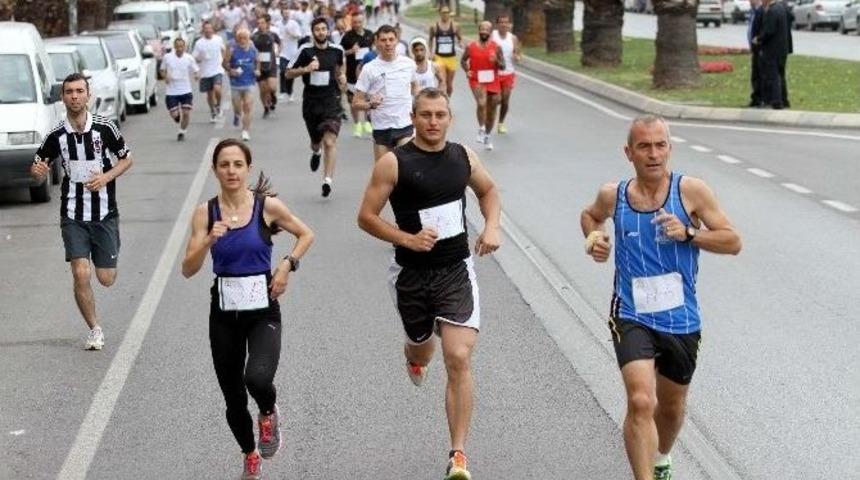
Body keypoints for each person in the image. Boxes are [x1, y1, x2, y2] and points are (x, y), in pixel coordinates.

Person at [579, 115, 742, 480]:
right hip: (631, 312)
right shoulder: (614, 195)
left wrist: (689, 233)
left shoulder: (692, 191)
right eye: (644, 146)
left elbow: (733, 241)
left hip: (681, 317)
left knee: (670, 407)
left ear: (670, 148)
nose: (653, 154)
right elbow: (590, 216)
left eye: (660, 145)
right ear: (629, 153)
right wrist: (594, 239)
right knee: (640, 400)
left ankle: (662, 456)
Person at [357, 87, 501, 480]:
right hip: (411, 275)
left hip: (455, 270)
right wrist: (407, 239)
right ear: (413, 117)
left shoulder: (462, 156)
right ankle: (415, 354)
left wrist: (491, 226)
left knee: (458, 356)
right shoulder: (393, 163)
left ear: (450, 118)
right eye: (426, 115)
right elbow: (366, 217)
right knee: (422, 349)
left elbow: (488, 190)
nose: (433, 122)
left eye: (440, 115)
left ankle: (458, 454)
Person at [181, 138, 314, 480]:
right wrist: (208, 240)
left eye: (238, 164)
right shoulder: (205, 213)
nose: (231, 171)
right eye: (224, 165)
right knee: (233, 397)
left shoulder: (266, 207)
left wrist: (287, 265)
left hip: (262, 310)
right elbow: (188, 268)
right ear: (215, 170)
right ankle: (249, 453)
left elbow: (306, 234)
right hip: (224, 314)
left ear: (247, 168)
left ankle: (268, 412)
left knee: (257, 377)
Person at [30, 72, 134, 351]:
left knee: (106, 278)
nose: (74, 96)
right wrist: (38, 172)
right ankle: (94, 329)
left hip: (105, 213)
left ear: (88, 95)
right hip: (72, 214)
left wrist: (106, 177)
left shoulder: (105, 128)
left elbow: (127, 159)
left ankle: (108, 252)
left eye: (79, 91)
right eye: (69, 92)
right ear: (62, 97)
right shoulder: (56, 134)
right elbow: (38, 167)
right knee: (80, 272)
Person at [287, 17, 347, 197]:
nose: (321, 32)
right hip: (311, 102)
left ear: (328, 31)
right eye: (317, 29)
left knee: (330, 141)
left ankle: (327, 181)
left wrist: (342, 77)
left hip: (331, 101)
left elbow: (340, 68)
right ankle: (316, 151)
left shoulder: (337, 50)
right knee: (316, 141)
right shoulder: (305, 50)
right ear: (313, 32)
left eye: (323, 29)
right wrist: (305, 69)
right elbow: (288, 73)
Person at [353, 24, 418, 161]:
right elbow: (356, 102)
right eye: (383, 40)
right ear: (377, 42)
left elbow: (415, 88)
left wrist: (420, 106)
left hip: (405, 124)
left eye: (391, 39)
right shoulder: (369, 69)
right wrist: (370, 104)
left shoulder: (409, 64)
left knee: (406, 166)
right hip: (381, 127)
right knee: (383, 170)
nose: (388, 43)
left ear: (397, 40)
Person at [461, 21, 504, 151]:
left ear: (490, 32)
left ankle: (487, 136)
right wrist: (467, 70)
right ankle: (482, 128)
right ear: (479, 30)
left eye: (487, 29)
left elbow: (503, 66)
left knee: (492, 108)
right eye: (482, 29)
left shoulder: (496, 47)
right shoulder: (471, 46)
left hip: (492, 79)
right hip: (477, 79)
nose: (484, 31)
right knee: (481, 103)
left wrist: (496, 60)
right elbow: (463, 60)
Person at [339, 13, 375, 137]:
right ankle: (357, 124)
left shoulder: (370, 34)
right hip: (352, 73)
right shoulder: (347, 36)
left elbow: (375, 49)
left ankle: (367, 122)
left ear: (363, 21)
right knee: (353, 100)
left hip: (368, 73)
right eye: (354, 22)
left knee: (367, 99)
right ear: (351, 23)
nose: (357, 24)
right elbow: (340, 53)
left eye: (359, 22)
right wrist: (351, 51)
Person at [224, 28, 261, 141]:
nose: (242, 40)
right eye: (240, 38)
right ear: (236, 39)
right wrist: (231, 70)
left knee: (248, 106)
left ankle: (245, 131)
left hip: (249, 82)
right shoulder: (232, 50)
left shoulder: (253, 50)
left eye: (245, 38)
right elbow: (224, 63)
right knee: (237, 108)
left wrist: (257, 70)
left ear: (248, 39)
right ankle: (237, 115)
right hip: (236, 84)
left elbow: (258, 62)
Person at [161, 38, 200, 141]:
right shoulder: (167, 57)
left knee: (186, 113)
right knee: (175, 115)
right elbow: (162, 70)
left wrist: (196, 75)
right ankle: (176, 117)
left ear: (184, 47)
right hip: (171, 91)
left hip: (185, 90)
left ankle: (182, 131)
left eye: (181, 46)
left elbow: (196, 70)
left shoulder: (189, 58)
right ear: (174, 47)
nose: (179, 49)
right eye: (177, 46)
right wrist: (165, 77)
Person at [754, 0, 791, 109]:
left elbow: (769, 30)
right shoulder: (781, 8)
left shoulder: (771, 11)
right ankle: (783, 99)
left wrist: (758, 39)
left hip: (772, 49)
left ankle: (776, 101)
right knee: (780, 74)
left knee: (772, 75)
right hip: (782, 49)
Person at [490, 14, 521, 134]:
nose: (503, 24)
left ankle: (501, 123)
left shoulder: (513, 38)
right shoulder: (493, 36)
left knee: (505, 100)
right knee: (496, 99)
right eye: (501, 22)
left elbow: (518, 53)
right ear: (497, 24)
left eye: (506, 22)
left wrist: (517, 57)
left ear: (509, 24)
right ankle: (490, 115)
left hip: (508, 73)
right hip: (495, 72)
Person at [194, 20, 227, 122]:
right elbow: (195, 58)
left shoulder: (218, 39)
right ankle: (212, 112)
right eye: (206, 28)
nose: (208, 30)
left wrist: (223, 60)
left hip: (217, 69)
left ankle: (218, 105)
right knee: (209, 94)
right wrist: (201, 58)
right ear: (203, 30)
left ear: (213, 29)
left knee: (217, 89)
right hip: (205, 71)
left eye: (210, 28)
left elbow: (224, 50)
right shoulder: (199, 43)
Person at [428, 5, 462, 97]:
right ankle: (443, 101)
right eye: (443, 12)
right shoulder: (434, 26)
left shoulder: (455, 26)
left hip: (451, 58)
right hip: (439, 57)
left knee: (449, 84)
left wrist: (460, 43)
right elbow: (430, 40)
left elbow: (460, 38)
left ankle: (448, 99)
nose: (445, 14)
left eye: (447, 12)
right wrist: (430, 52)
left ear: (449, 14)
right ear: (440, 13)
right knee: (442, 81)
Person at [252, 14, 282, 118]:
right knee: (263, 90)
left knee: (272, 87)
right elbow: (250, 48)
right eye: (258, 23)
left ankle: (273, 95)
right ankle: (265, 107)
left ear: (267, 24)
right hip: (259, 65)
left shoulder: (272, 34)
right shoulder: (254, 36)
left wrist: (278, 52)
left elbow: (280, 42)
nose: (260, 25)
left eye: (262, 23)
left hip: (271, 64)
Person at [277, 4, 302, 102]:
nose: (286, 14)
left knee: (290, 73)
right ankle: (283, 92)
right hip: (283, 52)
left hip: (292, 52)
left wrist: (292, 34)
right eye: (285, 13)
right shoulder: (278, 23)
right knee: (282, 71)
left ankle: (290, 93)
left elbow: (299, 36)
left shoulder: (293, 24)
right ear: (282, 14)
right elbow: (277, 37)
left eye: (288, 12)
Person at [746, 0, 764, 107]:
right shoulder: (752, 12)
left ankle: (759, 98)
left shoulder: (761, 11)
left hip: (759, 48)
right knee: (755, 75)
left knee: (759, 74)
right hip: (754, 48)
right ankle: (755, 98)